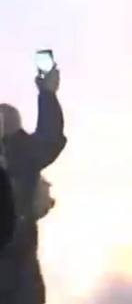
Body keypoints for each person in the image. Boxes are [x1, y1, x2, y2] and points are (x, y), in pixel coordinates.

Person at [0, 67, 66, 304]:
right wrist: (47, 93)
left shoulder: (21, 154)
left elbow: (49, 139)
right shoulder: (23, 155)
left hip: (20, 276)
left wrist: (47, 94)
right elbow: (49, 139)